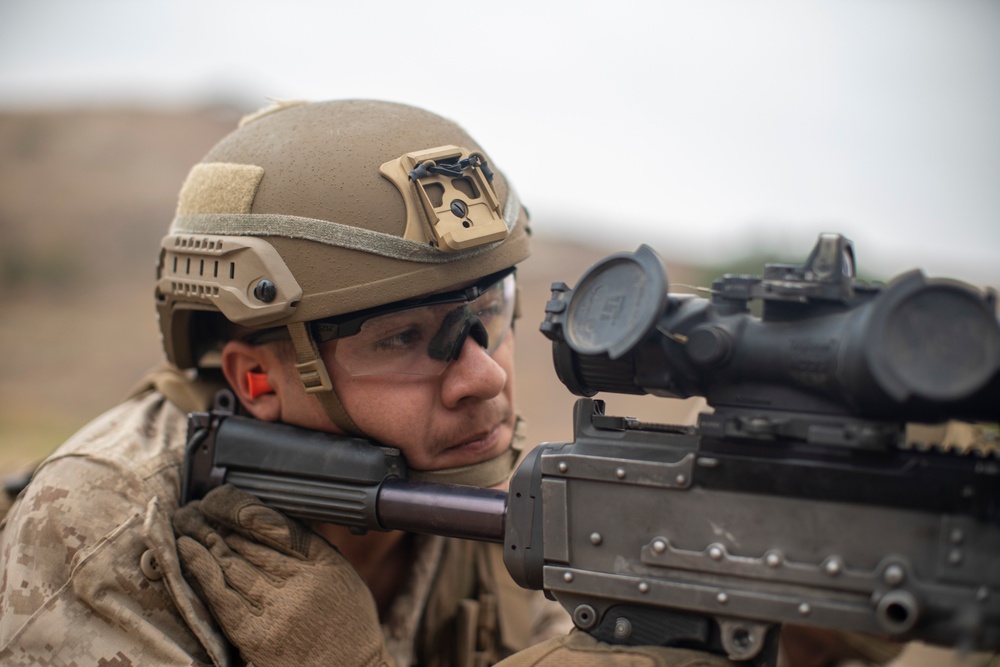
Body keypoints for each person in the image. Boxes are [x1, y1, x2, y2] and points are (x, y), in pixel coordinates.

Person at [0, 98, 900, 667]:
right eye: (405, 336)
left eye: (491, 313)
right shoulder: (101, 531)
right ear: (259, 376)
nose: (482, 376)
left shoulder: (468, 482)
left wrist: (809, 619)